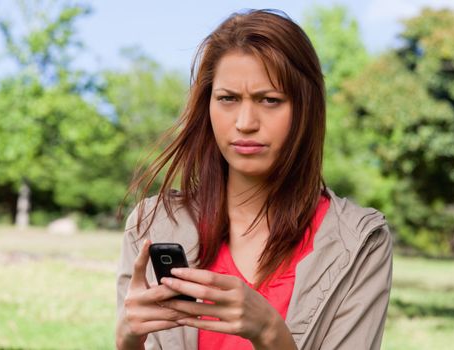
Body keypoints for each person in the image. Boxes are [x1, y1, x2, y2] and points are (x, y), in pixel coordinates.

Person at [116, 9, 393, 350]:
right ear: (208, 106)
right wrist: (128, 340)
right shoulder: (153, 225)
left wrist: (268, 332)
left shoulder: (360, 242)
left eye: (270, 100)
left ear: (305, 110)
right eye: (228, 99)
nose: (245, 122)